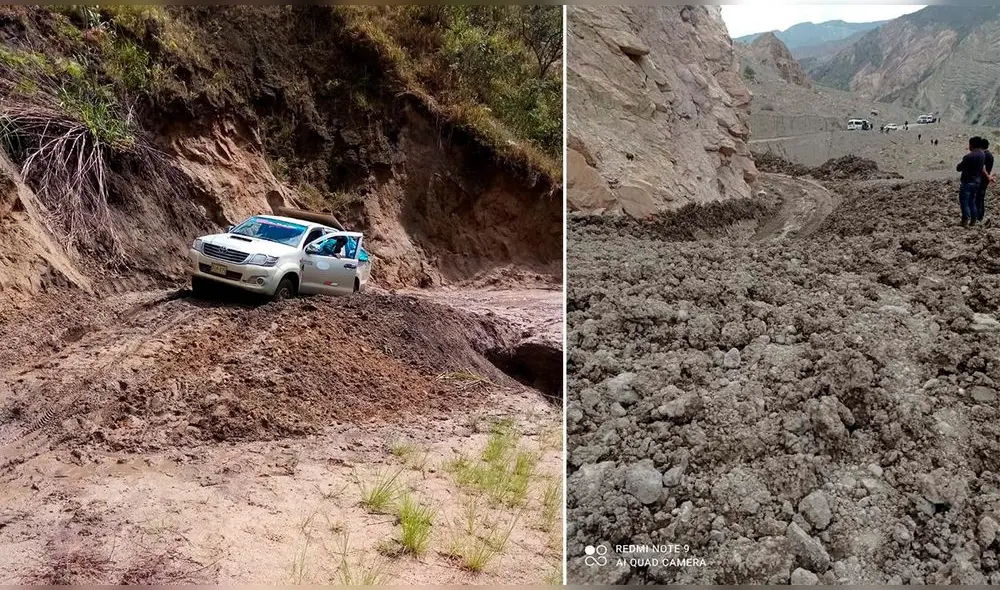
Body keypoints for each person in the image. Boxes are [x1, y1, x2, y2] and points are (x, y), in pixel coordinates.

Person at [956, 136, 994, 226]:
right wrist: (989, 176)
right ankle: (974, 219)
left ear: (971, 145)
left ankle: (965, 219)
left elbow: (959, 168)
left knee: (964, 201)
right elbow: (983, 168)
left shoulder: (968, 156)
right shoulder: (982, 154)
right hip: (977, 181)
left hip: (968, 181)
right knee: (973, 201)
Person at [976, 137, 995, 224]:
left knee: (979, 197)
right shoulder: (990, 155)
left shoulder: (984, 155)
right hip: (985, 179)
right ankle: (980, 215)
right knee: (981, 197)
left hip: (982, 179)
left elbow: (982, 168)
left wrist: (987, 176)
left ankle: (979, 216)